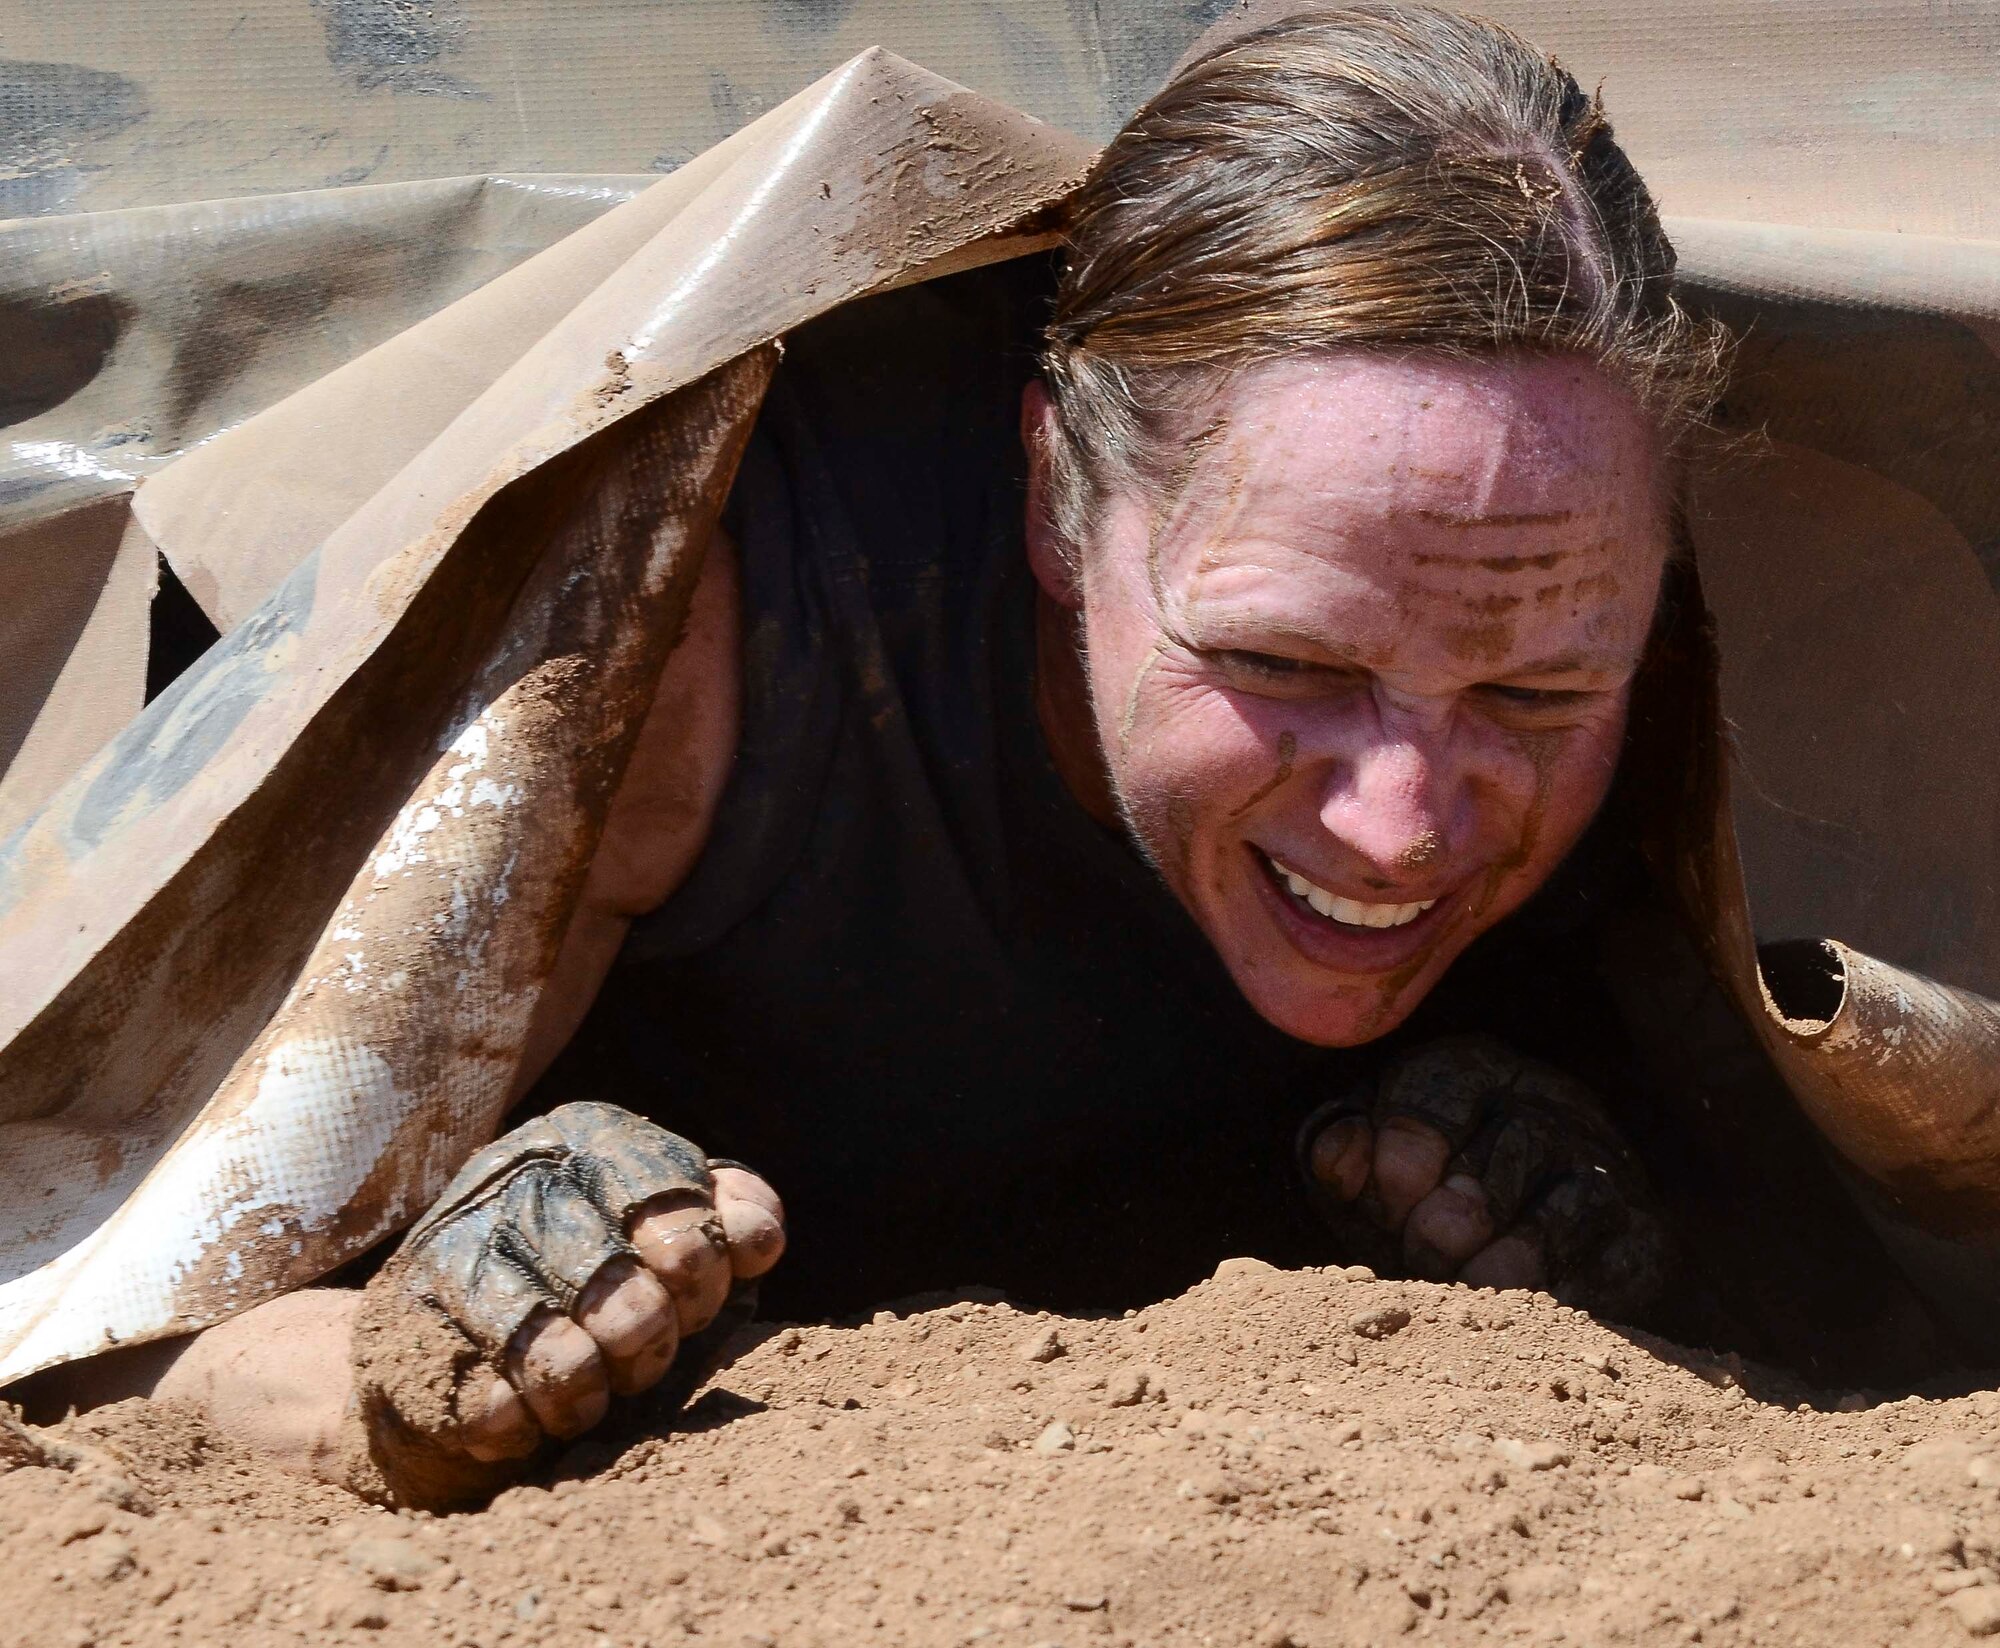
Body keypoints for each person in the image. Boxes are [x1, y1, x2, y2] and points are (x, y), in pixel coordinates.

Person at [47, 3, 1953, 1504]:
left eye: (1536, 698)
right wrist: (450, 1348)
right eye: (1286, 662)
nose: (1401, 825)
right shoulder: (669, 658)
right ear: (1054, 495)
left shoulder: (1717, 671)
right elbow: (129, 1314)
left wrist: (1577, 1191)